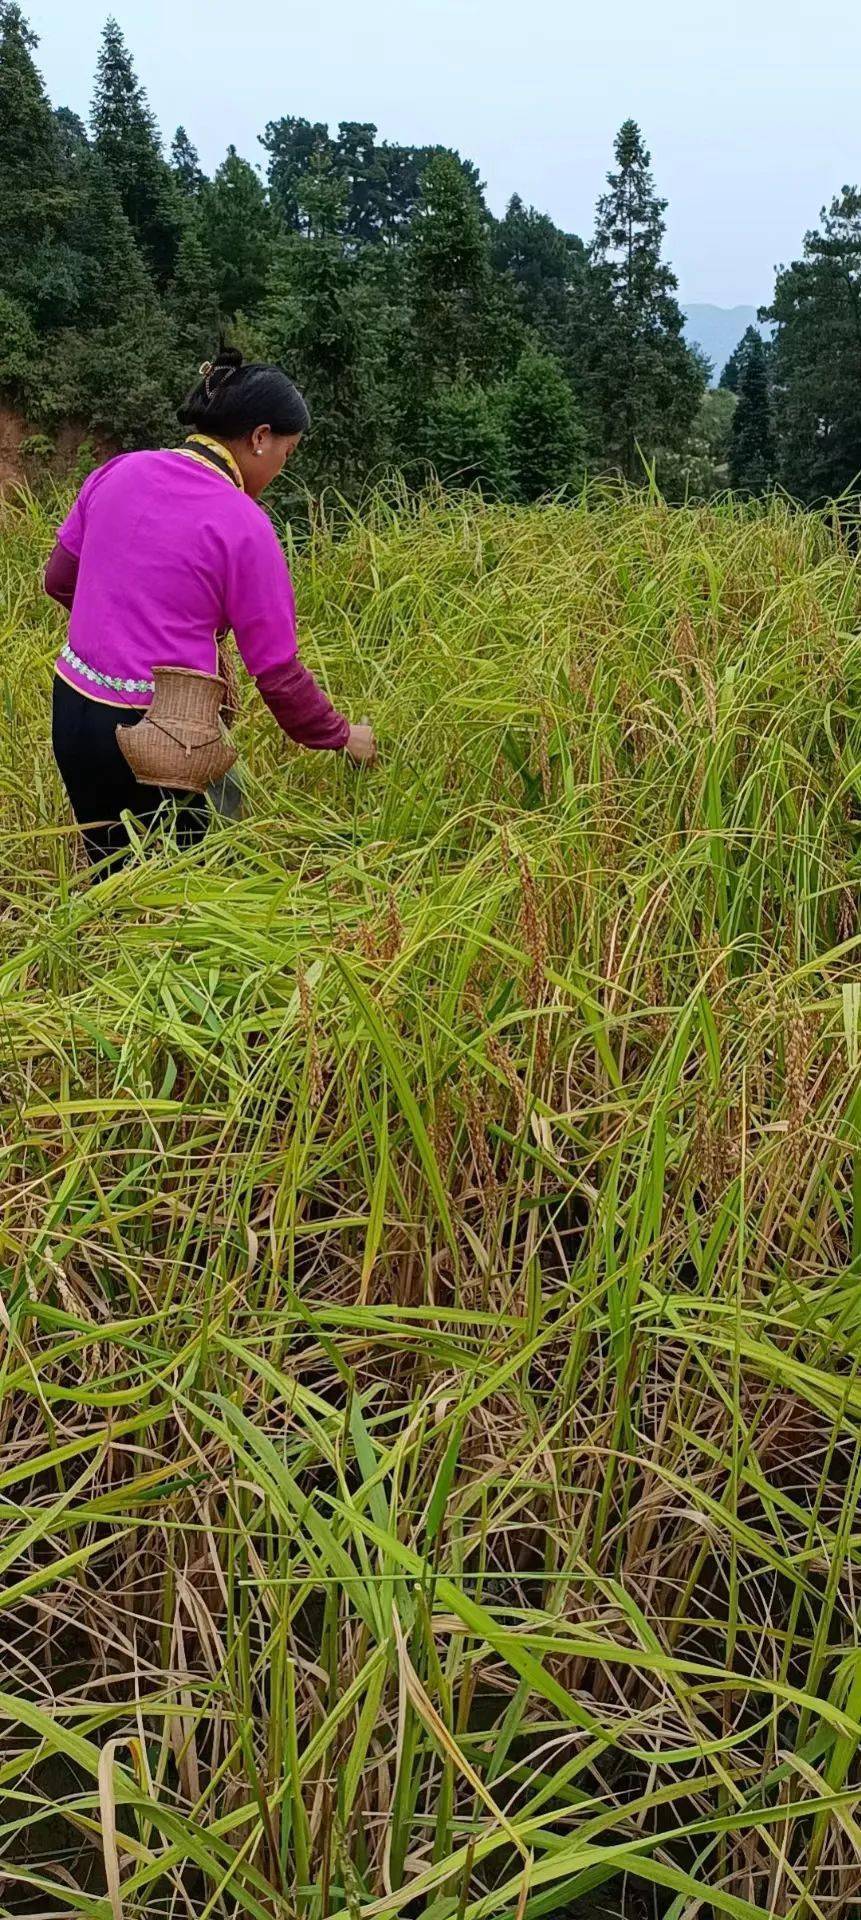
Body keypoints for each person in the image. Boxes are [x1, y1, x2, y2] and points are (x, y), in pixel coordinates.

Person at [44, 347, 375, 868]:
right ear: (260, 437)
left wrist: (127, 621)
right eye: (287, 453)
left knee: (110, 878)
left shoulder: (119, 470)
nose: (282, 469)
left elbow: (60, 580)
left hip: (72, 708)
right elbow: (279, 675)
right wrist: (341, 735)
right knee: (196, 887)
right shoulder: (244, 524)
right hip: (166, 731)